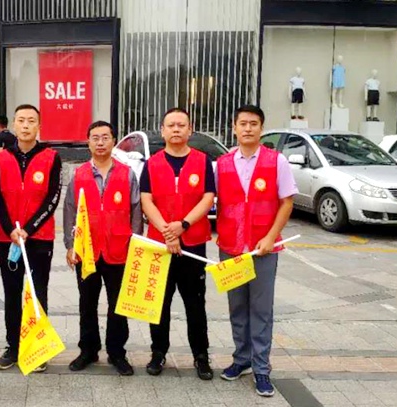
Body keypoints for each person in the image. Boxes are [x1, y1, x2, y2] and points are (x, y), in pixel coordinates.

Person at [216, 104, 297, 397]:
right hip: (231, 248)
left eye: (253, 123)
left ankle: (261, 368)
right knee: (237, 308)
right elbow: (211, 201)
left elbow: (287, 202)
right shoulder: (222, 164)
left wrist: (271, 237)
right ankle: (242, 360)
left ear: (261, 128)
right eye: (243, 123)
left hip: (264, 249)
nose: (248, 128)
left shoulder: (277, 161)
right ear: (234, 128)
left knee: (261, 310)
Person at [139, 107, 215, 380]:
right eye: (170, 125)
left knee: (195, 304)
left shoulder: (202, 161)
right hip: (159, 246)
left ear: (190, 130)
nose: (176, 129)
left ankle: (201, 356)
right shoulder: (152, 163)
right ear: (162, 131)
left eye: (181, 125)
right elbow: (146, 200)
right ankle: (158, 352)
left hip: (192, 243)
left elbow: (208, 197)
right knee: (159, 303)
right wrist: (167, 232)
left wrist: (183, 225)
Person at [63, 121, 143, 376]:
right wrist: (70, 246)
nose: (100, 142)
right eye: (95, 138)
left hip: (119, 249)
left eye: (105, 137)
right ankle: (88, 350)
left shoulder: (127, 174)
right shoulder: (79, 175)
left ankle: (117, 352)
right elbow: (69, 210)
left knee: (118, 304)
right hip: (87, 250)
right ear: (88, 142)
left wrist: (135, 244)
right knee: (87, 303)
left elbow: (136, 211)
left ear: (114, 141)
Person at [0, 104, 62, 372]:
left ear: (39, 126)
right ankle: (13, 346)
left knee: (37, 293)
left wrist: (29, 229)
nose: (25, 125)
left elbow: (53, 198)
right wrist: (11, 229)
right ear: (14, 124)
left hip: (40, 238)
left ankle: (36, 347)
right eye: (21, 120)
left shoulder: (51, 157)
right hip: (8, 238)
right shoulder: (1, 158)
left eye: (31, 121)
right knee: (11, 294)